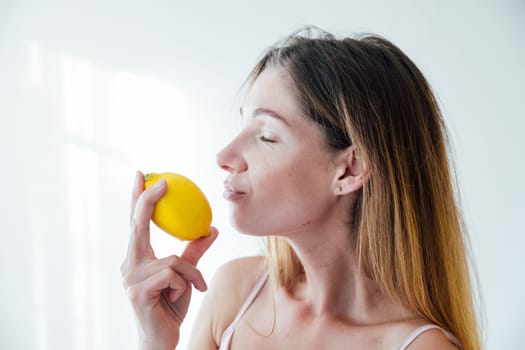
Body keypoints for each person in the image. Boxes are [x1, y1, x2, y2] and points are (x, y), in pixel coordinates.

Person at [120, 26, 482, 350]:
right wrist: (155, 341)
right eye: (242, 124)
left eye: (266, 136)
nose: (225, 155)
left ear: (349, 170)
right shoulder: (235, 294)